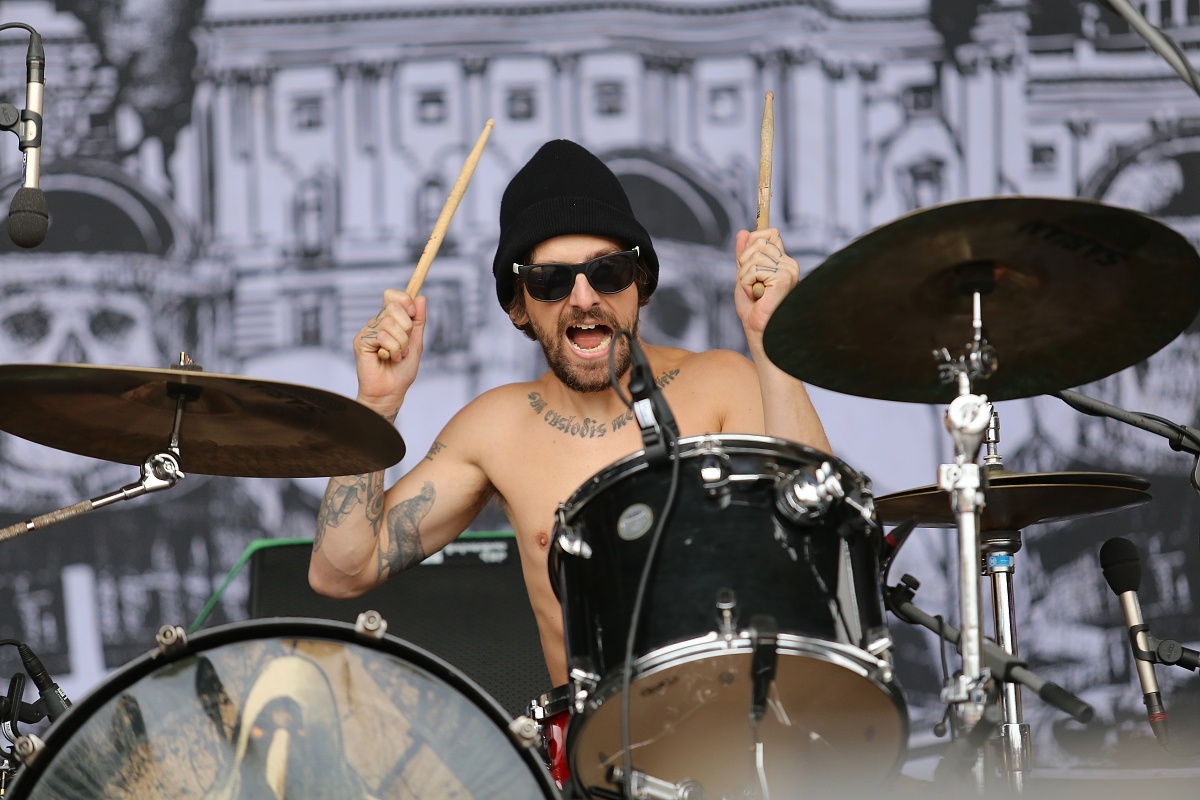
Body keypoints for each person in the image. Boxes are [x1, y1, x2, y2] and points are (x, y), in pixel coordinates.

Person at [308, 139, 830, 688]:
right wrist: (377, 404)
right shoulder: (494, 429)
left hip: (744, 723)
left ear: (640, 283)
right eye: (550, 281)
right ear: (519, 307)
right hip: (592, 739)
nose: (583, 298)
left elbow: (822, 537)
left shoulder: (723, 383)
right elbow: (341, 573)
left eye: (608, 270)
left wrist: (768, 341)